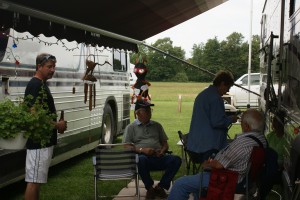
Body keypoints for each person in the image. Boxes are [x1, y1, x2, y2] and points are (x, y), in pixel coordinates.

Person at [168, 109, 267, 200]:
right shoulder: (261, 139)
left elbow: (219, 165)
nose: (240, 124)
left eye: (241, 122)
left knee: (180, 183)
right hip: (239, 177)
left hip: (227, 179)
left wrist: (208, 164)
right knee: (196, 187)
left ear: (246, 126)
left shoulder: (243, 143)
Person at [24, 53, 67, 200]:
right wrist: (57, 125)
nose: (52, 69)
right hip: (38, 143)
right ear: (39, 66)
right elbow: (34, 115)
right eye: (49, 66)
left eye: (54, 66)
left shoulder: (41, 84)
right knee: (33, 183)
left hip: (43, 143)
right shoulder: (35, 84)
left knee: (36, 182)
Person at [123, 100, 182, 199]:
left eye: (150, 110)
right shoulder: (131, 128)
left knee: (176, 160)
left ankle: (160, 187)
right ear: (137, 113)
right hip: (143, 158)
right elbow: (126, 146)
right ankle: (150, 188)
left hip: (158, 156)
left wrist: (162, 151)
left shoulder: (157, 125)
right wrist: (142, 150)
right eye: (146, 111)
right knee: (141, 159)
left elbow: (165, 144)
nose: (150, 113)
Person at [187, 70, 238, 163]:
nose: (228, 90)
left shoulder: (203, 94)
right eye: (228, 87)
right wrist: (231, 119)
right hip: (208, 147)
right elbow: (217, 122)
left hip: (194, 145)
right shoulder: (216, 98)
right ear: (222, 84)